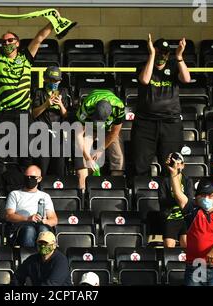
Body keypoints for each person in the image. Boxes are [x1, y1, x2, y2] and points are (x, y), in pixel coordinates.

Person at [0, 21, 55, 178]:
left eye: (10, 40)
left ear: (17, 43)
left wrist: (52, 22)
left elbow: (39, 37)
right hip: (2, 113)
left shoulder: (26, 57)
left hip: (23, 114)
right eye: (4, 41)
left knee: (26, 154)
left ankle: (22, 187)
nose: (6, 43)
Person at [131, 35, 191, 177]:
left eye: (165, 52)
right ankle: (142, 195)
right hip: (145, 123)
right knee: (141, 164)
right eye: (159, 52)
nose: (161, 55)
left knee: (171, 165)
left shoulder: (174, 66)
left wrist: (179, 57)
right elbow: (145, 80)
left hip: (170, 123)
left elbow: (187, 79)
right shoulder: (143, 66)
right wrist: (152, 55)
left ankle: (170, 195)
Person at [74, 89, 126, 189]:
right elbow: (79, 134)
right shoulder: (87, 106)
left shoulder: (119, 107)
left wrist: (101, 149)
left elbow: (115, 132)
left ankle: (116, 189)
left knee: (118, 155)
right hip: (89, 127)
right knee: (82, 155)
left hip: (109, 128)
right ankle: (84, 190)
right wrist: (88, 158)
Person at [5, 165, 58, 247]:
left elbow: (54, 219)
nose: (29, 179)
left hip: (41, 225)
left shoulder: (45, 196)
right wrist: (28, 219)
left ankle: (44, 257)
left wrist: (45, 221)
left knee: (43, 230)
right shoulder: (15, 194)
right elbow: (9, 216)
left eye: (32, 177)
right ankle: (28, 257)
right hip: (21, 226)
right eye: (27, 177)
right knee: (29, 230)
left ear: (39, 179)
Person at [32, 66, 69, 176]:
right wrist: (45, 105)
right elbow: (34, 114)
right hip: (42, 135)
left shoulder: (63, 92)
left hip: (59, 136)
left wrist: (61, 104)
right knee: (42, 168)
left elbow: (66, 115)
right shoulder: (39, 92)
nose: (54, 82)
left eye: (56, 80)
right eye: (51, 80)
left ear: (60, 81)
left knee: (59, 168)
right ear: (45, 79)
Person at [159, 152, 194, 248]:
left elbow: (190, 200)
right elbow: (162, 200)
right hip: (170, 216)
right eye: (174, 164)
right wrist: (177, 199)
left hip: (185, 216)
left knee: (187, 244)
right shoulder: (165, 181)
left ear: (183, 165)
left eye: (179, 164)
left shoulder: (187, 181)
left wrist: (177, 197)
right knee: (169, 246)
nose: (176, 166)